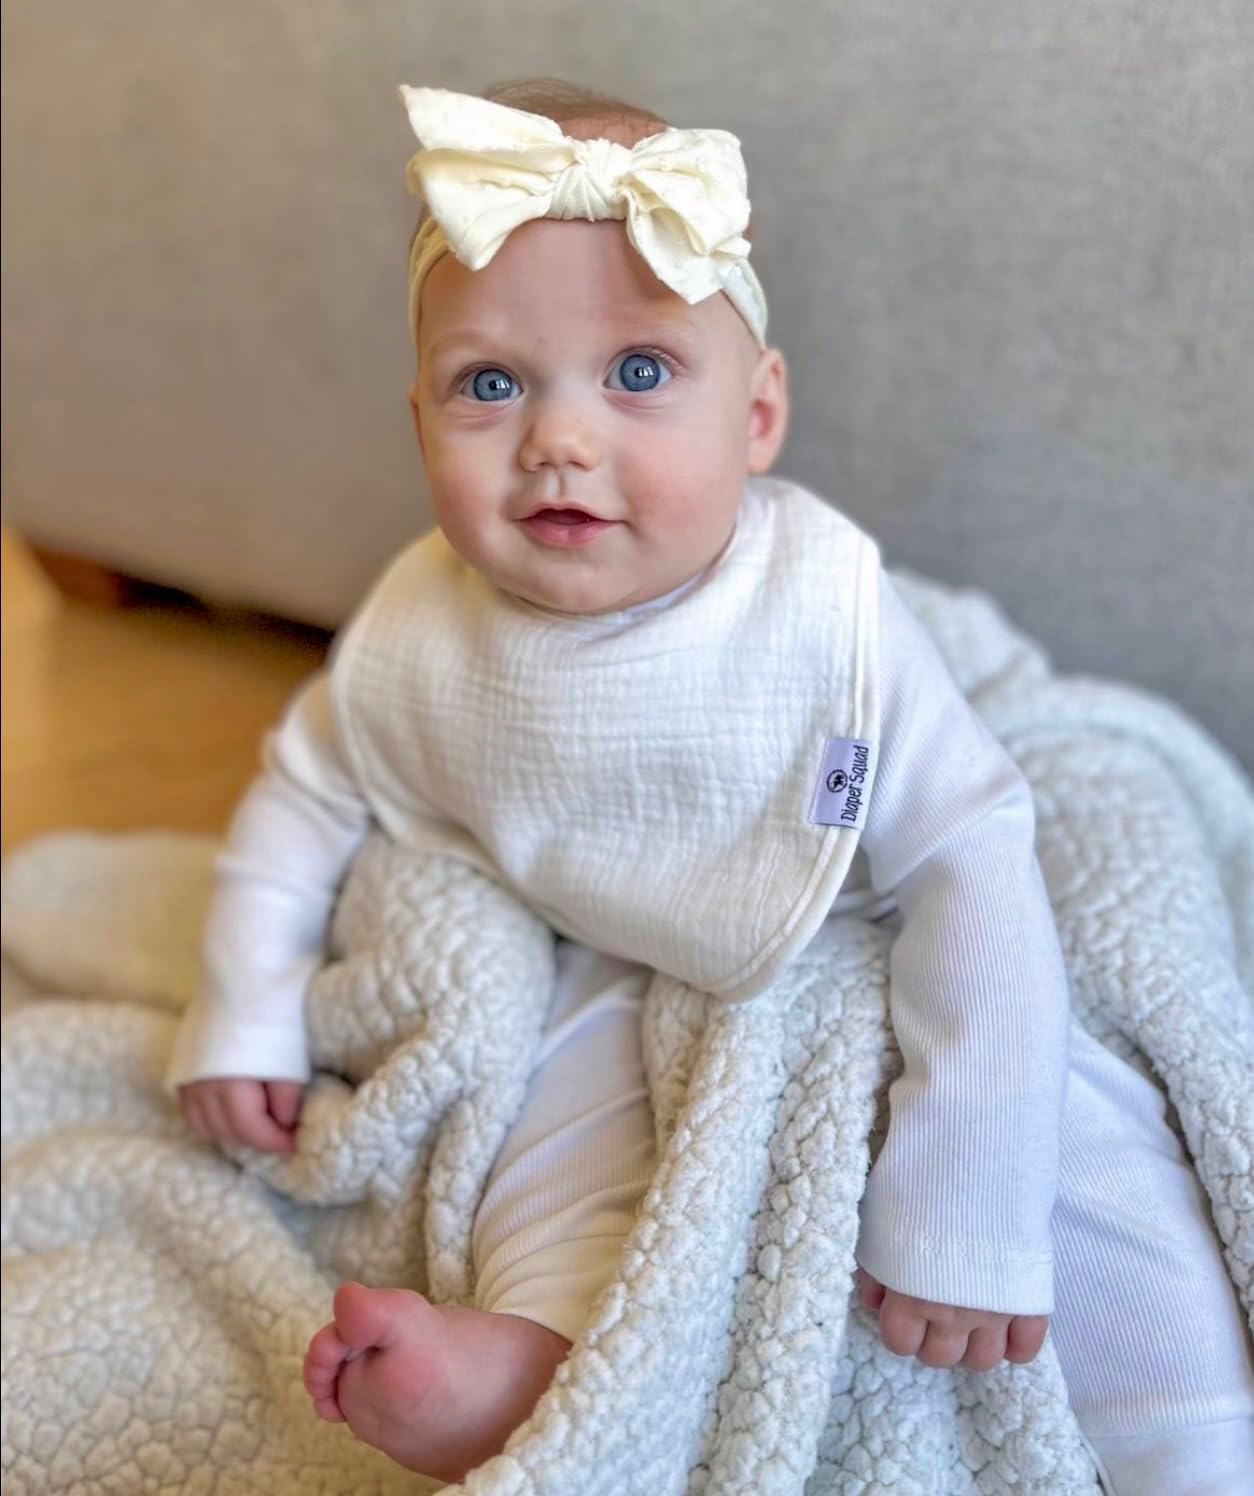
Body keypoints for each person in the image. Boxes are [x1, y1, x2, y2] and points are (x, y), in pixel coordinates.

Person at [166, 80, 1254, 1491]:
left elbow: (970, 855)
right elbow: (306, 795)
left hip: (849, 913)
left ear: (758, 415)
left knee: (1087, 1138)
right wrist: (247, 1004)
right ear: (418, 416)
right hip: (593, 945)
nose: (559, 440)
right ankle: (559, 1375)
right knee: (547, 1140)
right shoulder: (421, 634)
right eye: (490, 385)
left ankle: (1192, 1435)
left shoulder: (819, 618)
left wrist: (966, 1185)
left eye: (636, 372)